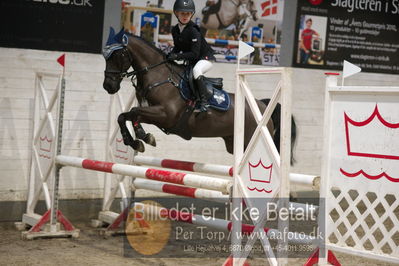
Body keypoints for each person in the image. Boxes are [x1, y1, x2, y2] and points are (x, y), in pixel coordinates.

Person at [167, 0, 216, 112]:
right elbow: (178, 47)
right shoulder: (175, 30)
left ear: (191, 14)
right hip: (192, 59)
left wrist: (177, 57)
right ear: (176, 13)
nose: (185, 16)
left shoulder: (193, 31)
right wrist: (170, 55)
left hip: (205, 58)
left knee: (197, 71)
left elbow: (194, 54)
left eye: (188, 13)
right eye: (182, 13)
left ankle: (204, 102)